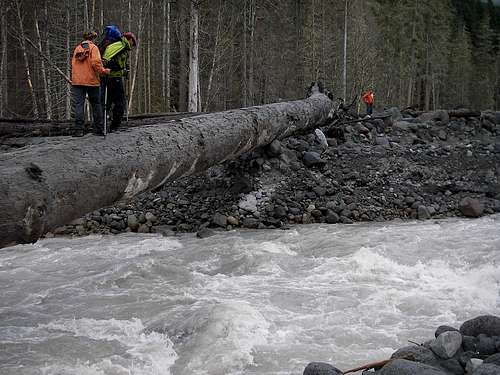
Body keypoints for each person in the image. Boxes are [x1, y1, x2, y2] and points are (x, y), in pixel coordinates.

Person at [71, 31, 110, 137]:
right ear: (93, 38)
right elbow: (95, 63)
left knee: (79, 105)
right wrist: (104, 71)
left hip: (77, 81)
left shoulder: (77, 49)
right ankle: (99, 128)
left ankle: (79, 130)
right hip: (92, 81)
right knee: (96, 104)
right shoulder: (93, 48)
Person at [101, 31, 137, 132]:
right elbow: (106, 60)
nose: (133, 45)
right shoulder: (120, 45)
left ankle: (102, 125)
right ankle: (114, 126)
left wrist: (123, 68)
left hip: (111, 77)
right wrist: (116, 67)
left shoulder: (121, 46)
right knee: (119, 102)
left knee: (108, 102)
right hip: (113, 77)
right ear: (129, 39)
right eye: (133, 42)